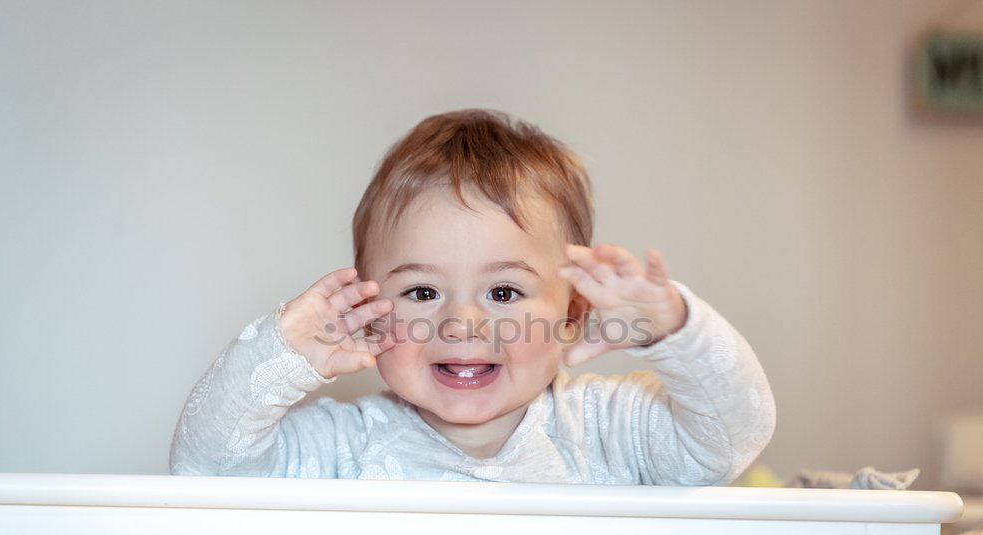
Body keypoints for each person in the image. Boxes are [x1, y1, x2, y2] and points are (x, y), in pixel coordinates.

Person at [169, 108, 776, 484]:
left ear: (572, 314)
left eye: (505, 290)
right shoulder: (342, 447)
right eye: (423, 290)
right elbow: (206, 470)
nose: (461, 323)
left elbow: (731, 440)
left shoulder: (611, 431)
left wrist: (675, 330)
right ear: (367, 312)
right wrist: (281, 353)